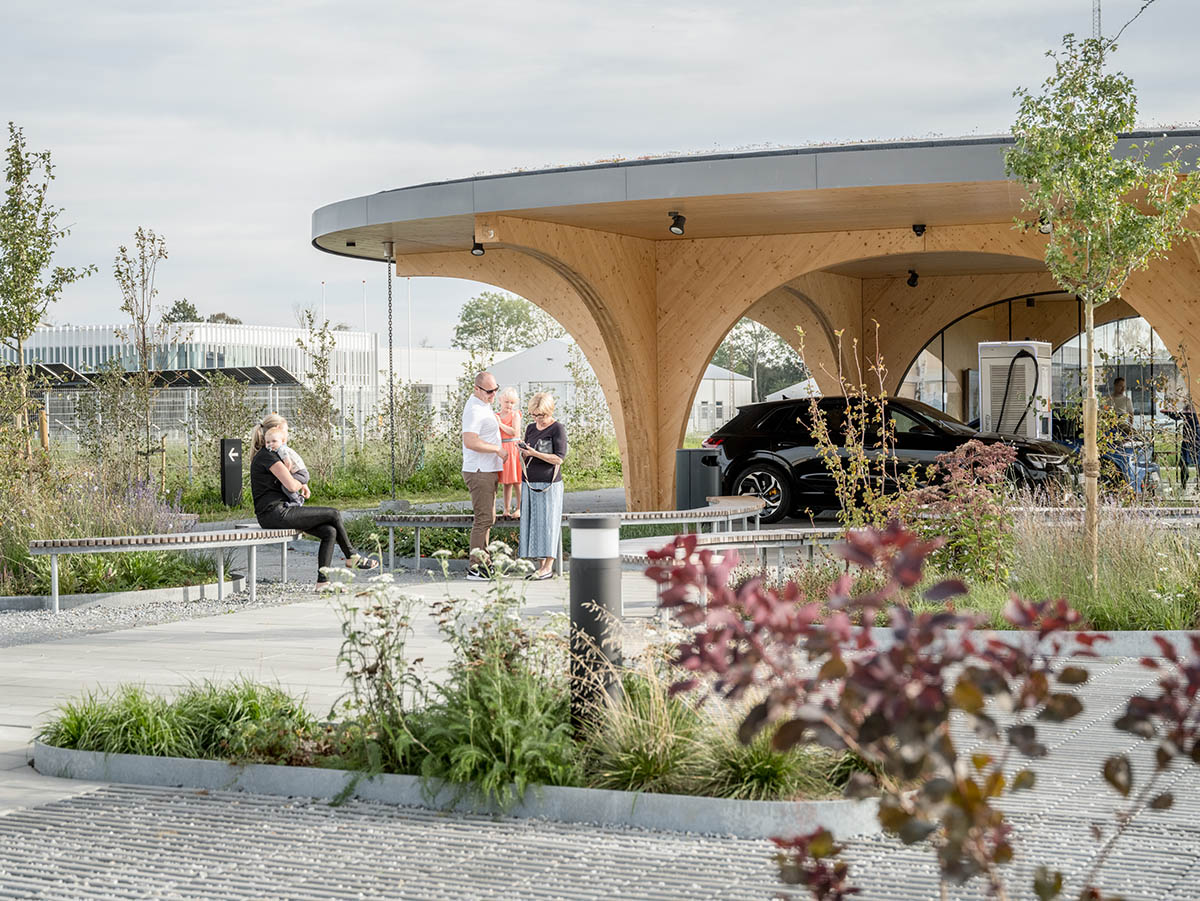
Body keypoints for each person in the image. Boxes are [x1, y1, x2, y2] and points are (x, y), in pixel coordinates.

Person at [249, 413, 377, 589]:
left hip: (280, 510)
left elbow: (290, 481)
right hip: (274, 513)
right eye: (285, 433)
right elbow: (292, 485)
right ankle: (352, 557)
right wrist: (301, 482)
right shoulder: (268, 457)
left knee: (329, 532)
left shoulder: (275, 454)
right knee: (333, 513)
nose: (287, 437)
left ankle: (322, 583)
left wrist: (301, 483)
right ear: (275, 432)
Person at [461, 371, 507, 580]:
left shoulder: (483, 405)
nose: (493, 395)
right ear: (477, 389)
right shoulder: (473, 409)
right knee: (483, 519)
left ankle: (485, 562)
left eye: (496, 389)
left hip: (488, 470)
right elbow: (470, 441)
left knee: (488, 518)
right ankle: (475, 567)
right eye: (489, 391)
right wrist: (496, 450)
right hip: (479, 470)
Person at [518, 392, 567, 581]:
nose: (539, 419)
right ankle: (540, 567)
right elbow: (528, 453)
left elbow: (559, 459)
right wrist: (523, 453)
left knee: (548, 523)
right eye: (535, 415)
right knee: (534, 524)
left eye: (542, 415)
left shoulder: (557, 429)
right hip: (530, 482)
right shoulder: (531, 428)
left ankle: (548, 566)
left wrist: (534, 453)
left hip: (549, 484)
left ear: (550, 411)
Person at [264, 425, 309, 507]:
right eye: (268, 442)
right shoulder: (280, 449)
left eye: (274, 441)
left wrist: (285, 475)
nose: (271, 444)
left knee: (285, 486)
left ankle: (296, 501)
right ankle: (299, 498)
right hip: (301, 472)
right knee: (287, 485)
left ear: (282, 441)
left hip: (300, 472)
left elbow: (288, 463)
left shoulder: (281, 450)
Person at [497, 387, 523, 520]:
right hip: (502, 448)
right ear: (500, 400)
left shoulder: (515, 415)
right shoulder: (496, 416)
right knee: (506, 482)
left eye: (512, 403)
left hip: (513, 447)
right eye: (507, 402)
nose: (509, 405)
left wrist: (500, 425)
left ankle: (519, 507)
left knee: (517, 480)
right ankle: (506, 509)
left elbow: (514, 431)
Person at [1165, 401, 1200, 492]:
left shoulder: (1191, 410)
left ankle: (1185, 485)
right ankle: (1185, 485)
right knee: (1185, 463)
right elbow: (1177, 416)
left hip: (1193, 440)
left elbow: (1177, 416)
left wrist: (1167, 412)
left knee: (1187, 463)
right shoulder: (1188, 409)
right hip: (1190, 440)